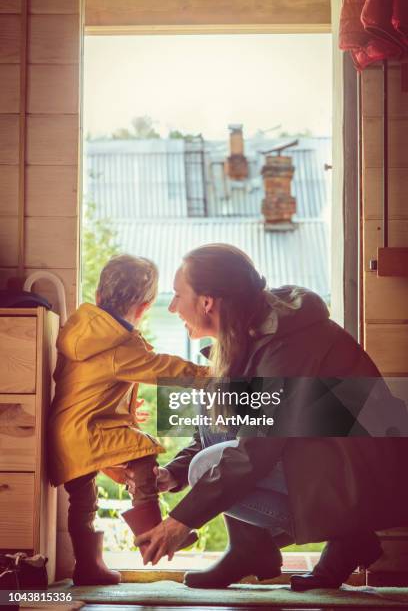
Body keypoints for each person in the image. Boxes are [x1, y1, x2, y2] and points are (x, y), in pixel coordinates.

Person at [134, 243, 408, 590]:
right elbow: (218, 428)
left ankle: (345, 534)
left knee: (206, 466)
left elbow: (254, 453)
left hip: (361, 473)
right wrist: (172, 474)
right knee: (216, 421)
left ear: (207, 302)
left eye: (177, 295)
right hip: (323, 455)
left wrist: (179, 522)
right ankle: (251, 548)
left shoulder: (286, 344)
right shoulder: (246, 332)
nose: (172, 307)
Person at [48, 254, 206, 586]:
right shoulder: (119, 342)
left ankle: (87, 567)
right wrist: (207, 374)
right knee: (141, 450)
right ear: (145, 307)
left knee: (83, 505)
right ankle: (151, 532)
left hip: (67, 432)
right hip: (90, 432)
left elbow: (81, 385)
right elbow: (162, 368)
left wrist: (124, 412)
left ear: (99, 296)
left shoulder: (78, 331)